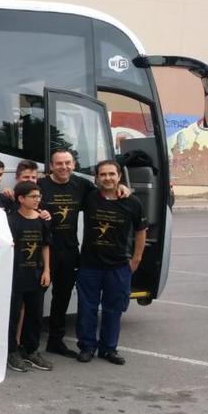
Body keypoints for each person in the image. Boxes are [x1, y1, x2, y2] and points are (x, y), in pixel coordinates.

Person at [38, 148, 129, 359]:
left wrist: (123, 187)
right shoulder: (40, 185)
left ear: (74, 164)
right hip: (43, 250)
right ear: (51, 166)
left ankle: (55, 341)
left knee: (61, 297)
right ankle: (27, 345)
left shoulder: (82, 185)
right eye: (59, 163)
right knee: (35, 300)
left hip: (69, 251)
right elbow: (20, 198)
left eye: (68, 163)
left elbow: (106, 190)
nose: (64, 167)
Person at [76, 160, 146, 366]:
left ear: (119, 177)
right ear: (97, 178)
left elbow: (141, 231)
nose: (107, 178)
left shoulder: (133, 202)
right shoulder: (89, 196)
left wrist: (137, 258)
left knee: (113, 309)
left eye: (111, 174)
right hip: (89, 265)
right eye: (103, 175)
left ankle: (108, 349)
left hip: (118, 266)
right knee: (86, 308)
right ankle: (87, 347)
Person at [6, 181, 53, 373]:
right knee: (13, 316)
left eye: (38, 196)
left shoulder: (42, 219)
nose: (37, 200)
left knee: (35, 315)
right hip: (16, 276)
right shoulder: (10, 220)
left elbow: (45, 246)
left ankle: (31, 351)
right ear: (21, 199)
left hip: (36, 275)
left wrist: (47, 270)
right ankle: (12, 352)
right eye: (33, 196)